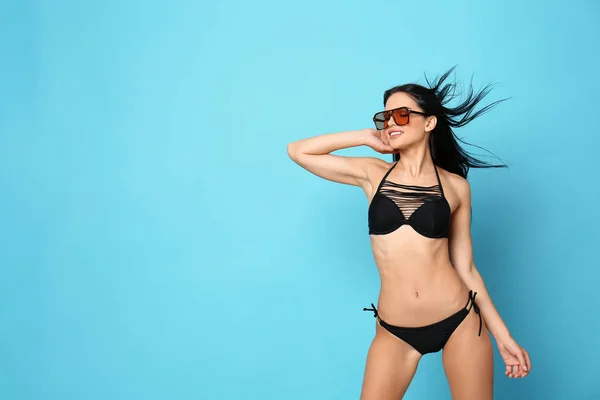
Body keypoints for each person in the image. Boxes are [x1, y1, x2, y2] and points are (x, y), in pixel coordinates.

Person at [286, 67, 531, 399]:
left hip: (458, 319)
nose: (390, 123)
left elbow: (467, 268)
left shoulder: (455, 187)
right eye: (384, 117)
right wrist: (364, 136)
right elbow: (298, 151)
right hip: (394, 329)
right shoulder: (372, 174)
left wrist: (504, 338)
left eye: (402, 115)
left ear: (429, 122)